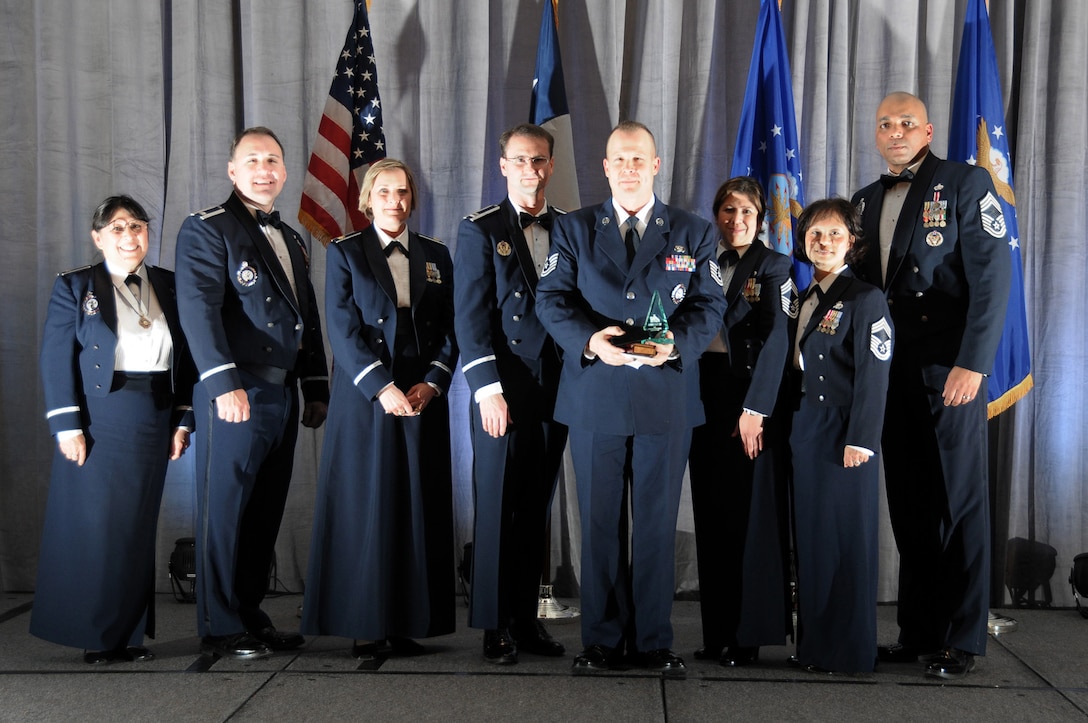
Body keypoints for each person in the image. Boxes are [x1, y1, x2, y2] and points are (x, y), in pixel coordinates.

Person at [535, 121, 726, 676]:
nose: (629, 167)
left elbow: (709, 304)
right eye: (619, 158)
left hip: (664, 394)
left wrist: (675, 348)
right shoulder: (573, 228)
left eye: (638, 158)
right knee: (598, 522)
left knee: (656, 524)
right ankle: (599, 640)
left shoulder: (692, 231)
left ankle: (652, 640)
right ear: (604, 165)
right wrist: (589, 340)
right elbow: (552, 298)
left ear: (656, 163)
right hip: (596, 392)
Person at [851, 92, 1010, 679]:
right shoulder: (865, 200)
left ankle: (963, 637)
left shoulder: (965, 183)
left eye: (906, 124)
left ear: (928, 130)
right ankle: (918, 631)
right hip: (890, 372)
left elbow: (993, 279)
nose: (895, 133)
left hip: (950, 370)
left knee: (959, 503)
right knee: (911, 503)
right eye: (885, 124)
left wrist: (975, 363)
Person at [175, 126, 329, 659]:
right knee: (226, 510)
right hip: (236, 392)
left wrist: (314, 384)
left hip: (282, 393)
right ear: (232, 171)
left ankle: (249, 611)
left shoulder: (290, 238)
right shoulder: (208, 229)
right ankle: (220, 623)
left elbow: (304, 315)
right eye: (253, 160)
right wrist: (222, 384)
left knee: (264, 510)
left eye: (273, 161)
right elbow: (197, 311)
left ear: (284, 172)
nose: (265, 170)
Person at [302, 158, 457, 659]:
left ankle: (410, 621)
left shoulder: (436, 254)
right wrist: (381, 387)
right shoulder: (346, 252)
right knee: (368, 506)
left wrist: (432, 384)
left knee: (416, 504)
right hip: (366, 392)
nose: (396, 201)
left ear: (413, 198)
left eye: (404, 192)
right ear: (368, 199)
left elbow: (454, 330)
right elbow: (343, 330)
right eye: (385, 192)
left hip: (421, 393)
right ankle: (365, 622)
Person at [32, 195, 196, 664]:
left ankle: (126, 635)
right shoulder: (75, 286)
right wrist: (67, 426)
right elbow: (55, 359)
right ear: (98, 237)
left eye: (138, 227)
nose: (130, 237)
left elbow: (186, 359)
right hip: (101, 419)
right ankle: (97, 636)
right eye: (118, 228)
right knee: (101, 528)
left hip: (154, 415)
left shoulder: (168, 284)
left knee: (137, 529)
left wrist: (182, 420)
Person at [454, 124, 568, 664]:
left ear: (551, 165)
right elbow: (470, 318)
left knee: (535, 509)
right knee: (499, 509)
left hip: (557, 388)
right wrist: (486, 391)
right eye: (519, 160)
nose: (530, 169)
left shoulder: (571, 227)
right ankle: (493, 626)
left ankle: (526, 620)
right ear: (503, 166)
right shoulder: (480, 229)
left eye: (539, 160)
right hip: (504, 388)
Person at [687, 177, 794, 667]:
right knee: (712, 518)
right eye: (728, 211)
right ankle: (716, 633)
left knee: (748, 521)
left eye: (747, 212)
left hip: (749, 401)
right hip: (702, 397)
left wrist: (756, 411)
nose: (737, 220)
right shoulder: (698, 262)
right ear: (717, 215)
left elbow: (777, 342)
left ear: (761, 218)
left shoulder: (776, 266)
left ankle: (747, 635)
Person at [787, 198, 892, 674]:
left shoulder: (865, 297)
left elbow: (875, 375)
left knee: (845, 541)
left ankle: (847, 651)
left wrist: (862, 438)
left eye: (834, 234)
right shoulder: (804, 295)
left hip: (844, 432)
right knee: (813, 541)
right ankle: (815, 648)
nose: (823, 242)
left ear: (853, 241)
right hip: (807, 427)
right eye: (814, 234)